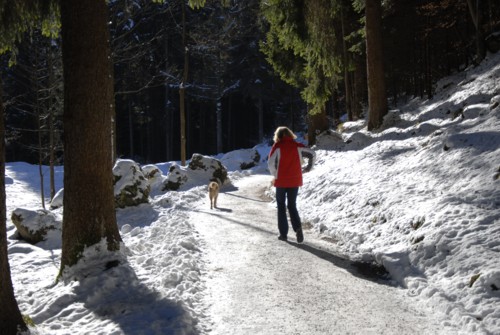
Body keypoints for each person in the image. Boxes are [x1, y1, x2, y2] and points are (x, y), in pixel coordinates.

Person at [268, 126, 315, 243]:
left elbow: (270, 163)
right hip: (294, 181)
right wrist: (308, 168)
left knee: (281, 206)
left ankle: (283, 234)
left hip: (281, 182)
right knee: (292, 205)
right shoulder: (297, 146)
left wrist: (275, 174)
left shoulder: (277, 147)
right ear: (290, 134)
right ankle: (298, 229)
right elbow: (312, 154)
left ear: (278, 136)